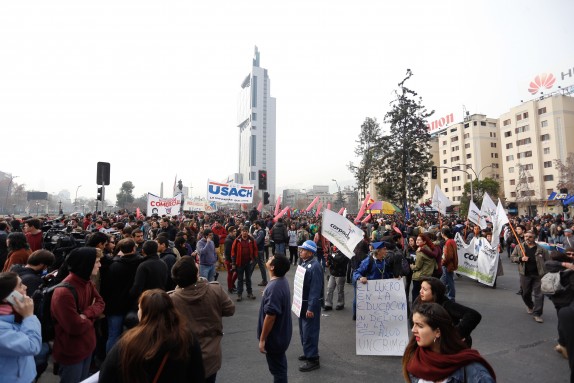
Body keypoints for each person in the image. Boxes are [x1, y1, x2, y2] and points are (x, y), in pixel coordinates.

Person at [99, 289, 205, 383]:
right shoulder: (186, 338)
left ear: (145, 313)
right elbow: (198, 375)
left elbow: (106, 375)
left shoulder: (128, 341)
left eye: (139, 308)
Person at [170, 257, 234, 383]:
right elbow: (230, 310)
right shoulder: (215, 289)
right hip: (211, 354)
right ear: (196, 274)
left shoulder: (171, 300)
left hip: (184, 356)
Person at [402, 302, 496, 383]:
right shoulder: (416, 359)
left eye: (420, 326)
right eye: (413, 324)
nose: (413, 330)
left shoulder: (473, 371)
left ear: (437, 332)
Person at [51, 247, 105, 383]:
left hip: (87, 346)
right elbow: (75, 327)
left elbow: (101, 302)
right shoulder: (64, 292)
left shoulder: (87, 282)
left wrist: (86, 314)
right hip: (72, 351)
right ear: (86, 264)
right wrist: (93, 315)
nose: (100, 265)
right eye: (97, 261)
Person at [414, 277, 482, 347]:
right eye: (421, 288)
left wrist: (456, 335)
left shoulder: (446, 305)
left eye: (424, 289)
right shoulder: (419, 301)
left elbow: (473, 315)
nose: (420, 291)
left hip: (452, 347)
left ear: (435, 293)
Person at [0, 271, 42, 383]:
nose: (25, 286)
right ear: (8, 296)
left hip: (24, 375)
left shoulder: (14, 313)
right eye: (20, 285)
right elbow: (32, 346)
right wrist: (29, 316)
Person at [103, 238, 142, 353]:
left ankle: (110, 362)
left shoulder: (114, 265)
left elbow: (107, 287)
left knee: (113, 335)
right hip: (133, 304)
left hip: (115, 305)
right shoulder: (140, 263)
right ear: (134, 249)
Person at [258, 254, 292, 383]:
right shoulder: (280, 281)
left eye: (271, 258)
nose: (269, 257)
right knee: (280, 366)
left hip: (274, 338)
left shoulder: (274, 288)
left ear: (272, 267)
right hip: (281, 335)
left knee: (278, 371)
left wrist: (262, 339)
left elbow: (270, 317)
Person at [511, 230, 551, 323]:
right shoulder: (519, 247)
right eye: (526, 236)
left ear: (534, 238)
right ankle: (530, 305)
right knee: (525, 293)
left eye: (530, 237)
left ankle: (537, 314)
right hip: (525, 275)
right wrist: (521, 258)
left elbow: (548, 261)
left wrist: (549, 272)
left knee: (539, 295)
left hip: (539, 275)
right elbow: (512, 258)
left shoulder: (542, 249)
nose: (527, 238)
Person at [296, 240, 323, 372]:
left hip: (309, 304)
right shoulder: (305, 263)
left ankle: (313, 359)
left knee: (310, 332)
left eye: (303, 250)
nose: (301, 251)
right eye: (301, 250)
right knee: (303, 330)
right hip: (302, 303)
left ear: (310, 252)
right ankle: (308, 352)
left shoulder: (315, 266)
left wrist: (311, 307)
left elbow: (315, 289)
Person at [352, 241, 396, 320]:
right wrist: (360, 277)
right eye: (384, 249)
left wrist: (395, 277)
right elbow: (356, 272)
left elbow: (388, 273)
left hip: (381, 290)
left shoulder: (385, 261)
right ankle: (357, 315)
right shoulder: (368, 261)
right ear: (378, 251)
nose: (386, 251)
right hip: (371, 290)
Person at [544, 247, 574, 360]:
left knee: (563, 322)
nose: (570, 255)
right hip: (563, 299)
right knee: (564, 322)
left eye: (573, 254)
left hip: (564, 298)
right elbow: (547, 264)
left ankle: (562, 344)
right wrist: (566, 264)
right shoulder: (561, 264)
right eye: (568, 253)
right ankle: (563, 344)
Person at [231, 227, 258, 301]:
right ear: (241, 232)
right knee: (240, 280)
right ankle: (239, 294)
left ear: (247, 232)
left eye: (246, 231)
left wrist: (254, 259)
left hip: (248, 263)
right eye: (243, 231)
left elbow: (255, 249)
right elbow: (233, 252)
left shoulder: (252, 240)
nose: (245, 233)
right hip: (239, 263)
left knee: (248, 279)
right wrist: (233, 263)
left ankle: (250, 293)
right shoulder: (237, 241)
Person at [411, 234, 438, 303]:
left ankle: (416, 310)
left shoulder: (420, 252)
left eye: (419, 240)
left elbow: (417, 266)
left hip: (419, 276)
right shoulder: (430, 249)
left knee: (416, 295)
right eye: (416, 239)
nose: (417, 241)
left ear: (424, 242)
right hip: (428, 274)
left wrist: (411, 266)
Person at [440, 227, 458, 302]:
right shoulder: (452, 241)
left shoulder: (448, 242)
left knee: (449, 281)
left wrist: (443, 262)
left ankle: (451, 297)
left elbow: (448, 256)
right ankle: (445, 295)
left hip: (447, 265)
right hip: (450, 264)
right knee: (444, 281)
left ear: (443, 234)